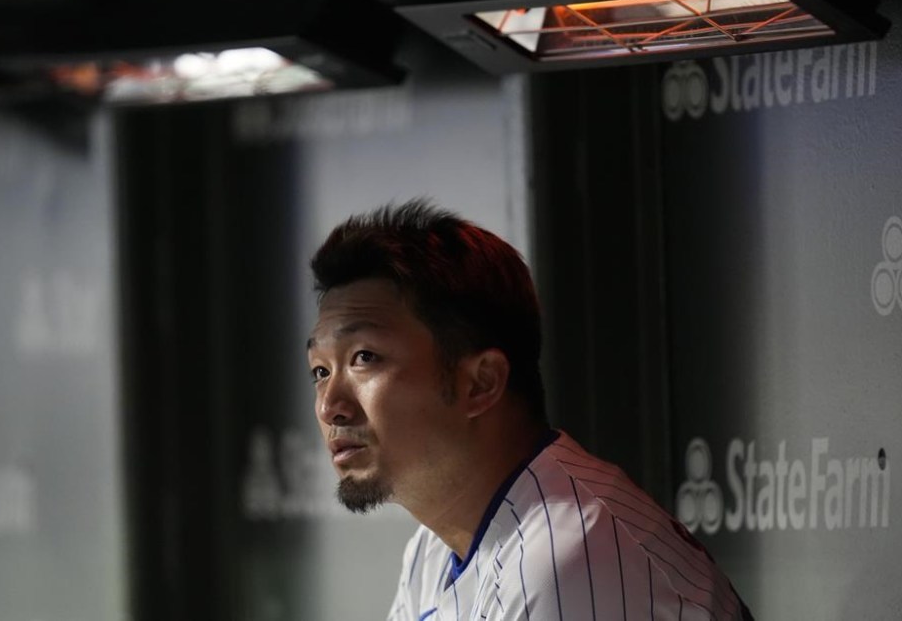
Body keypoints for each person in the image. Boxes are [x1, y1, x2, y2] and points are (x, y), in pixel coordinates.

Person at [306, 200, 751, 620]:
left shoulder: (567, 555)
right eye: (320, 371)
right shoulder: (432, 550)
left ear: (481, 383)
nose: (330, 406)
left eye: (364, 357)